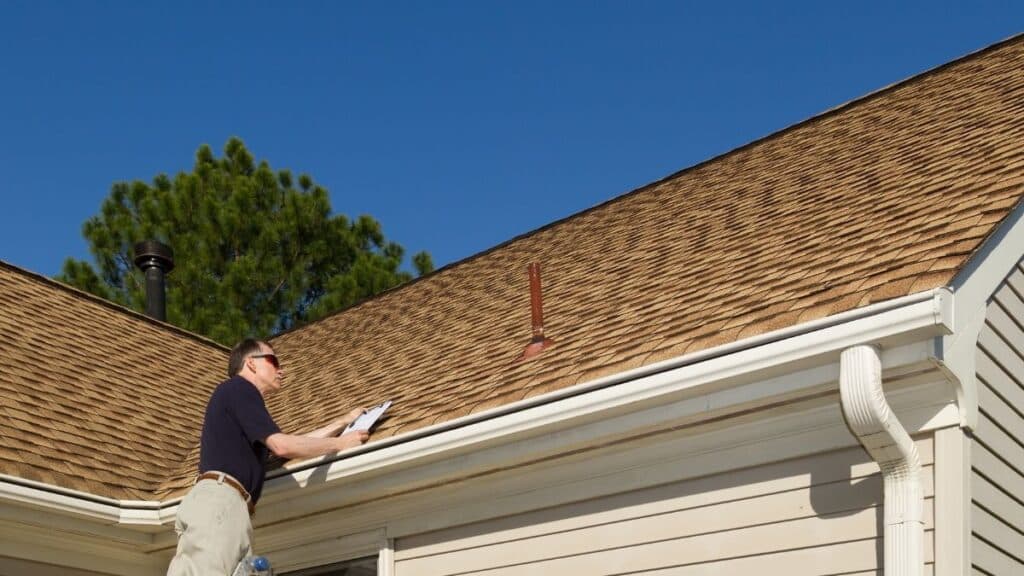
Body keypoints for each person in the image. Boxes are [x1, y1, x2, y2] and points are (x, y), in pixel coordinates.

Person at [167, 338, 370, 575]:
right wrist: (342, 442)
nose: (281, 370)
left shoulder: (237, 402)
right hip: (221, 505)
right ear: (251, 363)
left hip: (222, 507)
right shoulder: (239, 388)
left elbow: (287, 443)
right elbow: (283, 446)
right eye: (274, 361)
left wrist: (342, 423)